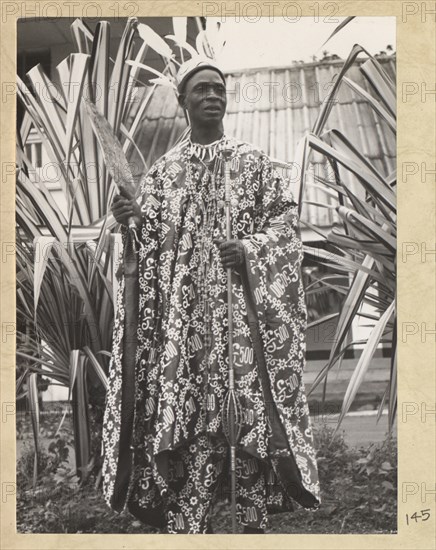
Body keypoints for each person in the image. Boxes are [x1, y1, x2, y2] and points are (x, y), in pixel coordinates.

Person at [101, 58, 320, 534]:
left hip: (242, 338)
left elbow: (285, 227)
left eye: (218, 88)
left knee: (248, 451)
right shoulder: (163, 175)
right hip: (188, 344)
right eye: (200, 89)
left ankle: (251, 530)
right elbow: (148, 256)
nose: (212, 96)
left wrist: (249, 249)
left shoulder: (253, 163)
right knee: (192, 453)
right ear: (182, 101)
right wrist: (130, 223)